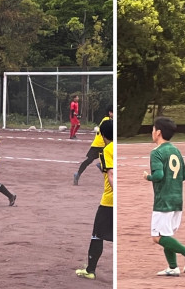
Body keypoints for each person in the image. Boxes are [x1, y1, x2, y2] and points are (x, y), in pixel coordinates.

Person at [142, 116, 185, 277]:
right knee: (166, 234)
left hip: (163, 199)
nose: (152, 132)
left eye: (153, 129)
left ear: (158, 132)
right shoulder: (175, 150)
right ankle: (173, 267)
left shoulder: (156, 152)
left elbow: (158, 175)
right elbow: (184, 175)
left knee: (157, 237)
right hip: (177, 198)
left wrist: (148, 177)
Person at [75, 119, 114, 280]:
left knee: (97, 235)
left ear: (103, 135)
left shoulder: (107, 150)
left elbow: (111, 175)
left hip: (109, 201)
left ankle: (90, 270)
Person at [74, 104, 113, 185]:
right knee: (91, 160)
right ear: (110, 113)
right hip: (100, 144)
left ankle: (78, 173)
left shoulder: (107, 120)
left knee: (90, 160)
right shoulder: (107, 120)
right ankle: (78, 174)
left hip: (100, 144)